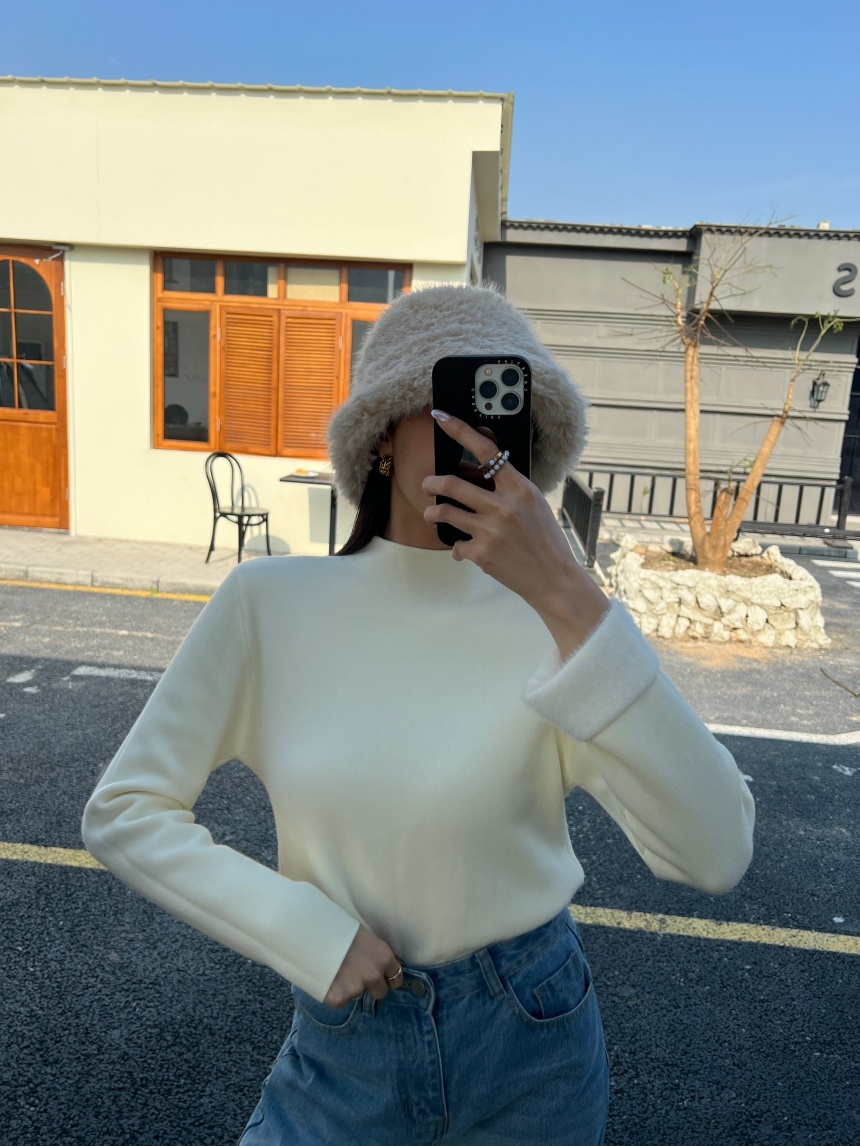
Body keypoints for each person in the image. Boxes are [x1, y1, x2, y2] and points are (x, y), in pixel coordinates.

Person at [81, 283, 756, 1145]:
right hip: (346, 1049)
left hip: (534, 1042)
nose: (480, 444)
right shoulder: (269, 606)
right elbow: (126, 810)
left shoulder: (557, 623)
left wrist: (572, 597)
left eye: (505, 425)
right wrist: (301, 931)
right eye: (451, 413)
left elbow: (716, 852)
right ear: (382, 438)